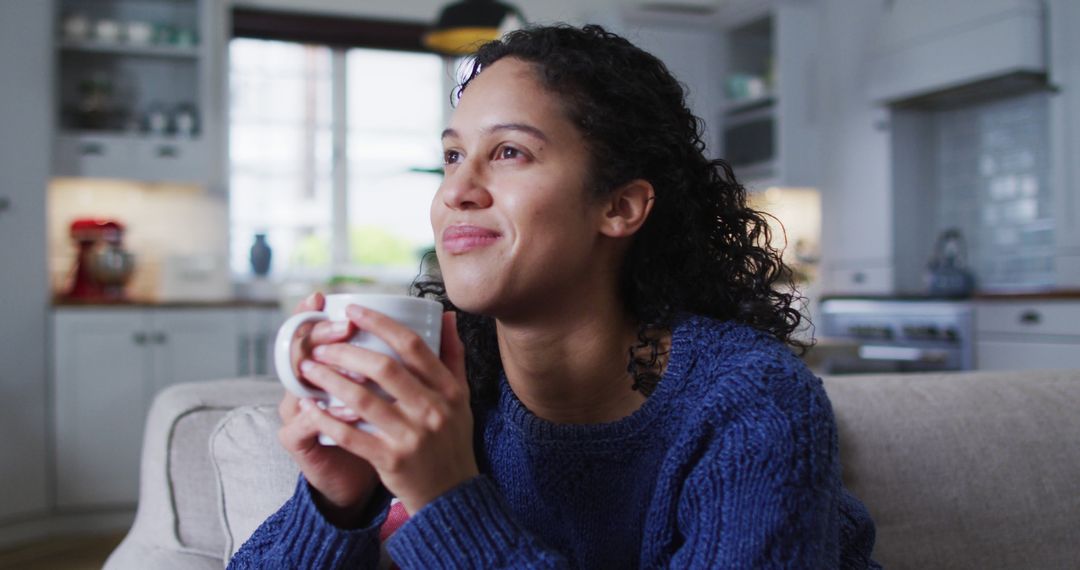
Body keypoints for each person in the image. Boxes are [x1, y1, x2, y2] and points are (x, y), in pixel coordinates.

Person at [229, 24, 880, 569]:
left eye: (509, 152)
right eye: (453, 156)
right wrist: (335, 499)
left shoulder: (750, 402)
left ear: (619, 206)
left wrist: (447, 497)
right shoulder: (455, 392)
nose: (458, 189)